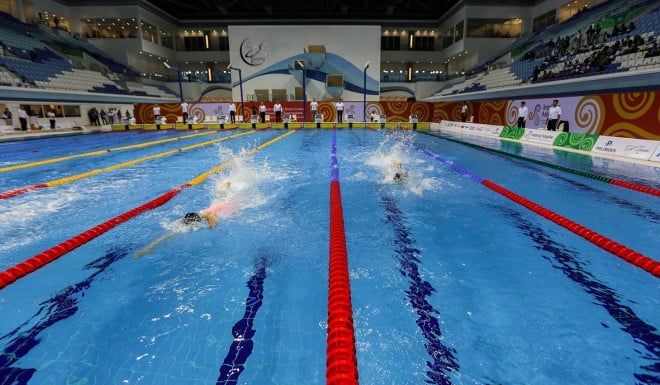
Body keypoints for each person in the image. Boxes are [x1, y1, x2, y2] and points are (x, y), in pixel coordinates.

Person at [133, 181, 233, 258]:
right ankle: (150, 247)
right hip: (200, 216)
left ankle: (150, 247)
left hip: (196, 215)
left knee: (173, 231)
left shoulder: (222, 202)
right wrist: (213, 225)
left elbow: (220, 197)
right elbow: (209, 214)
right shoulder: (225, 205)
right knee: (175, 231)